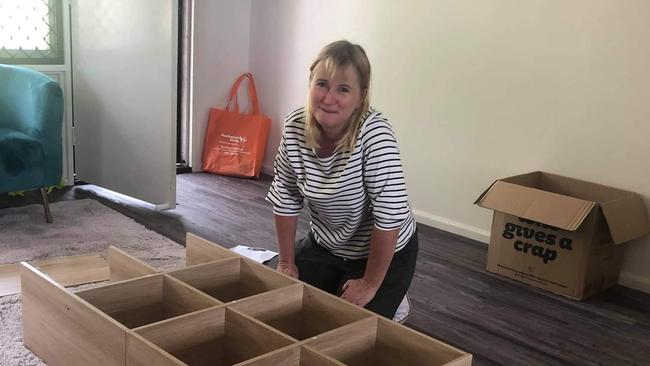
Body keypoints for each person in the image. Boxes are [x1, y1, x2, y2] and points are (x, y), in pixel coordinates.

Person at [266, 40, 418, 319]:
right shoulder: (294, 126)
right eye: (322, 83)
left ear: (361, 96)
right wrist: (287, 263)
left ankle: (394, 295)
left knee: (350, 325)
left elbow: (389, 217)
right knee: (279, 298)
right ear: (310, 84)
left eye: (343, 89)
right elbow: (286, 197)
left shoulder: (375, 135)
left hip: (384, 252)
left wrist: (371, 285)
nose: (328, 98)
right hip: (327, 243)